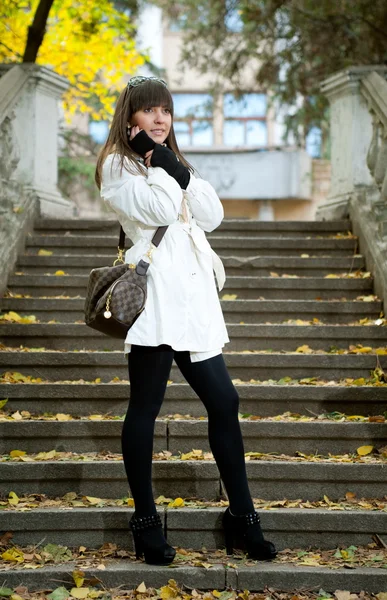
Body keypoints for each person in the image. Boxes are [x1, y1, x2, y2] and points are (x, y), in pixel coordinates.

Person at [95, 75, 277, 566]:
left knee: (225, 399)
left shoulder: (169, 162)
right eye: (149, 111)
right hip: (153, 300)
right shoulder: (118, 165)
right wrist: (161, 167)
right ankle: (146, 522)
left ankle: (243, 518)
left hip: (194, 302)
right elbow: (156, 207)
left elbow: (212, 214)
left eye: (166, 112)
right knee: (146, 407)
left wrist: (171, 162)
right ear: (130, 118)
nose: (160, 119)